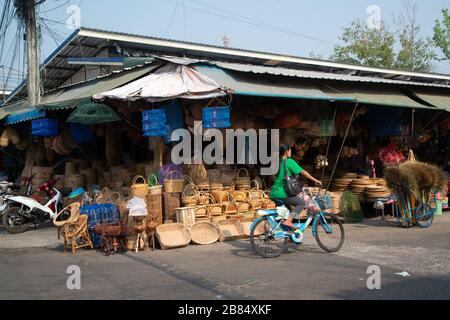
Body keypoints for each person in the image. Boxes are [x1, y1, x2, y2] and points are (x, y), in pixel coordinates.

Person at [270, 145, 322, 229]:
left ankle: (289, 236)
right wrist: (315, 180)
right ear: (286, 152)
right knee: (302, 203)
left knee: (289, 214)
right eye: (290, 150)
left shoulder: (279, 163)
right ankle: (288, 221)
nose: (291, 152)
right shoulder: (289, 161)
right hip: (282, 193)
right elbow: (303, 172)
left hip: (274, 193)